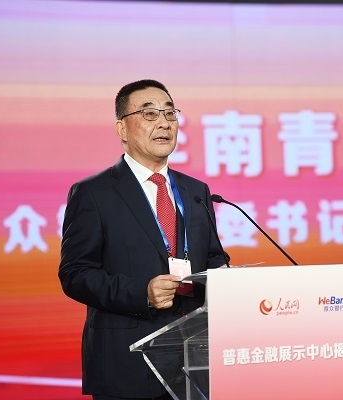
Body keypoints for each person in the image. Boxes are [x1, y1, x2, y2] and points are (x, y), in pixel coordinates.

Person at [58, 79, 228, 400]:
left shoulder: (196, 191)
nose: (164, 123)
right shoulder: (94, 193)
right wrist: (142, 294)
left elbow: (213, 256)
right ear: (122, 129)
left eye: (170, 113)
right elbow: (75, 275)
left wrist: (225, 278)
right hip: (126, 366)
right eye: (149, 114)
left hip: (194, 363)